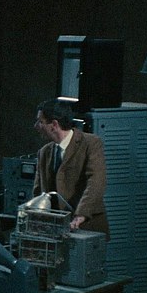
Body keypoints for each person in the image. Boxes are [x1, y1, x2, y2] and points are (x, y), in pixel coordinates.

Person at [33, 98, 108, 234]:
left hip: (87, 226)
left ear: (54, 124)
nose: (36, 126)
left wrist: (81, 214)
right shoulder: (44, 152)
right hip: (54, 230)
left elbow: (96, 181)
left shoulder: (91, 144)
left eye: (40, 122)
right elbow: (38, 192)